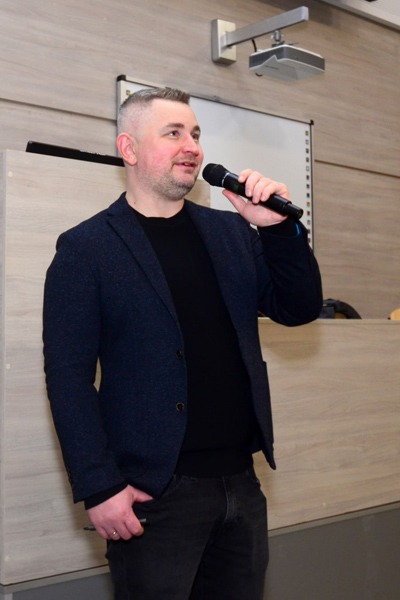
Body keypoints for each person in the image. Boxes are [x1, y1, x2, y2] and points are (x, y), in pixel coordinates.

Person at [43, 87, 322, 600]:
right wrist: (100, 487)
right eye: (173, 133)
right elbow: (68, 378)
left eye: (195, 134)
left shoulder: (232, 233)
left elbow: (298, 308)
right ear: (129, 148)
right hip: (153, 496)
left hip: (242, 483)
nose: (191, 145)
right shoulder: (87, 248)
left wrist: (279, 231)